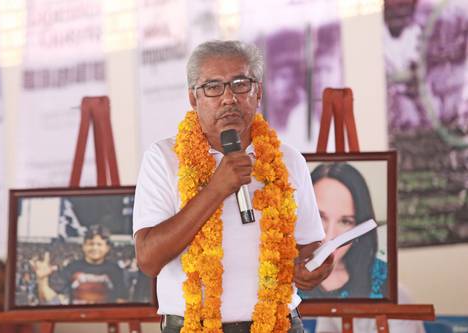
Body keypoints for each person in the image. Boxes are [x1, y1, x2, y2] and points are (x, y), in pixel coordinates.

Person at [132, 40, 334, 333]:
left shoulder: (288, 160)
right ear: (193, 98)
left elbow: (309, 245)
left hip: (279, 324)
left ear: (259, 92)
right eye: (213, 87)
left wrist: (313, 266)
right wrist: (216, 190)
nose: (228, 98)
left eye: (240, 84)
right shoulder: (164, 158)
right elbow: (148, 259)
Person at [299, 163, 385, 299]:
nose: (329, 236)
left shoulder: (383, 278)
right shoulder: (275, 276)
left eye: (345, 221)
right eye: (320, 217)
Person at [31, 225, 128, 305]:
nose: (94, 248)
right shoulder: (72, 268)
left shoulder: (115, 271)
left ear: (107, 248)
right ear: (84, 246)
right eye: (91, 244)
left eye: (99, 244)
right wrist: (42, 279)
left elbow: (122, 301)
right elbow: (50, 300)